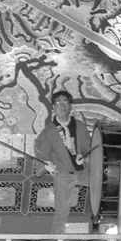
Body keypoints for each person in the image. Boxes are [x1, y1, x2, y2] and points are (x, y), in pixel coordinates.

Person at [34, 90, 90, 233]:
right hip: (63, 173)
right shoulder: (49, 131)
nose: (62, 105)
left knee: (96, 200)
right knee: (61, 211)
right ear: (53, 107)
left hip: (84, 172)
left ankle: (90, 237)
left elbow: (88, 148)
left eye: (65, 101)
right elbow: (41, 151)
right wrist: (47, 164)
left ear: (71, 106)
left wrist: (83, 155)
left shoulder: (80, 126)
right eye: (58, 102)